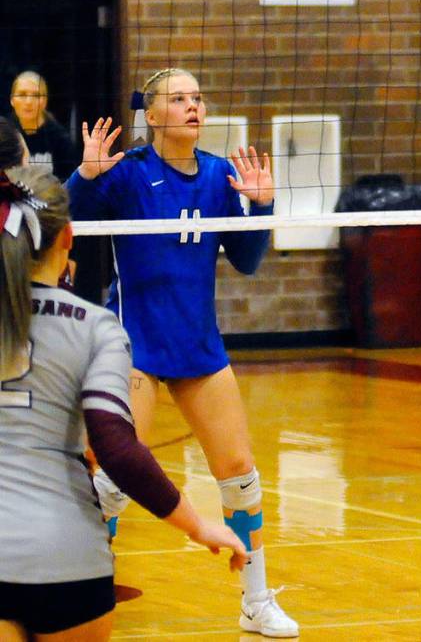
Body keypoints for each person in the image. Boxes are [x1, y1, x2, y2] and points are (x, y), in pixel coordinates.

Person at [66, 68, 299, 638]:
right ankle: (82, 588)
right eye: (179, 99)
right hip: (135, 343)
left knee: (240, 473)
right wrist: (84, 176)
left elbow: (244, 260)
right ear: (152, 114)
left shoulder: (221, 175)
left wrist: (262, 208)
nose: (193, 106)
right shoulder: (128, 175)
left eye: (197, 98)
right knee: (115, 478)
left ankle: (256, 599)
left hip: (198, 344)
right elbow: (67, 223)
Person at [0, 165, 246, 642]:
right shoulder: (97, 328)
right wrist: (196, 526)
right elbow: (116, 448)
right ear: (69, 237)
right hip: (65, 557)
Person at [9, 71, 77, 180]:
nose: (28, 102)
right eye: (22, 94)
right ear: (12, 100)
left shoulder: (60, 139)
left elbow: (68, 184)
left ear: (44, 101)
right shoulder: (4, 132)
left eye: (36, 95)